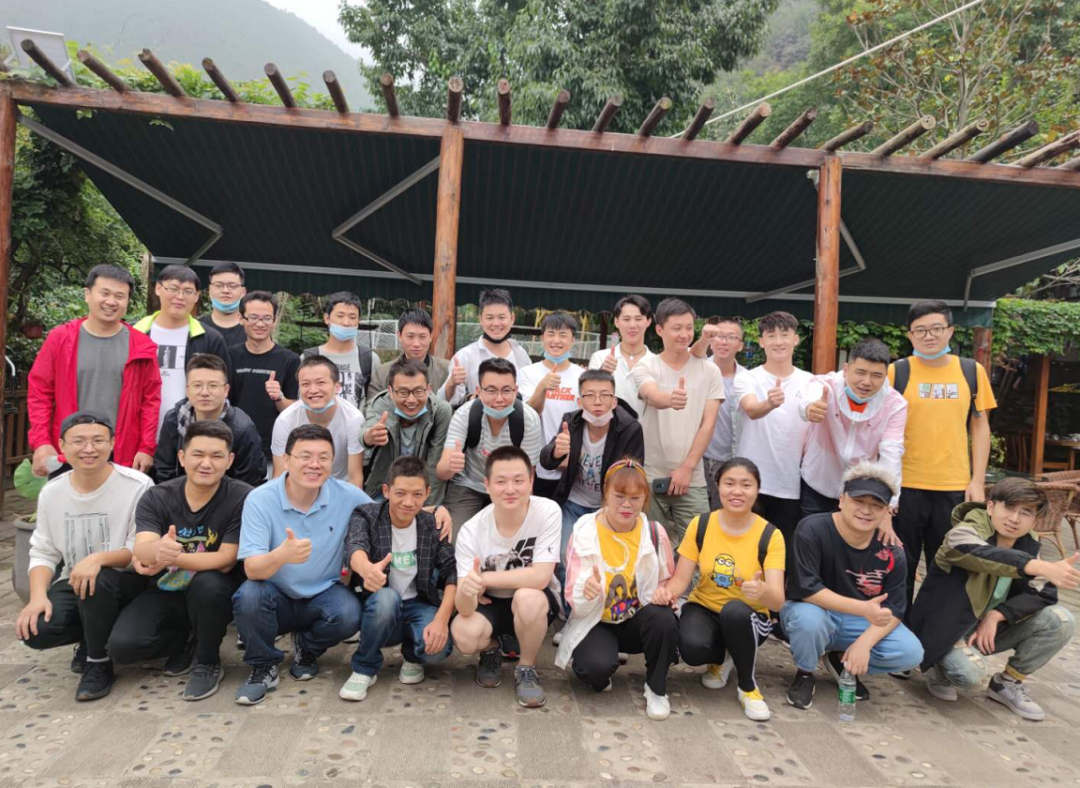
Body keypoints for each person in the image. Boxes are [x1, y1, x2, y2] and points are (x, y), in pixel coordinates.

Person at [909, 478, 1078, 721]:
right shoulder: (964, 532)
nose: (1014, 518)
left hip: (985, 629)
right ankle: (939, 664)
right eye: (1008, 507)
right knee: (969, 675)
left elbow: (1043, 593)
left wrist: (998, 615)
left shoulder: (1029, 542)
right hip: (946, 628)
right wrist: (1037, 566)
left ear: (1035, 520)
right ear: (990, 506)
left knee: (1061, 619)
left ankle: (1007, 682)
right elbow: (977, 553)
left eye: (1025, 512)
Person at [232, 424, 372, 705]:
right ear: (286, 460)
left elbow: (388, 514)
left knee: (349, 615)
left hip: (324, 591)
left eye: (323, 457)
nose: (314, 465)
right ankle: (263, 666)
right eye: (305, 456)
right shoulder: (260, 499)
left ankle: (306, 647)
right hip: (274, 594)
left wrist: (436, 511)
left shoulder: (348, 495)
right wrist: (281, 555)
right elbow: (252, 569)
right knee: (248, 596)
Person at [16, 411, 153, 701]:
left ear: (112, 443)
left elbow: (140, 549)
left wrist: (97, 559)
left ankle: (97, 661)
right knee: (36, 629)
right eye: (78, 441)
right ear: (62, 446)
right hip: (75, 581)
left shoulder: (137, 485)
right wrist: (37, 597)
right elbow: (43, 550)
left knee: (98, 579)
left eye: (98, 441)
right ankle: (92, 638)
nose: (89, 449)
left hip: (125, 582)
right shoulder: (52, 492)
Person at [117, 420, 251, 701]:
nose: (206, 463)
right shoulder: (157, 496)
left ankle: (207, 661)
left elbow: (226, 559)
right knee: (123, 647)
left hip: (216, 594)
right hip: (166, 589)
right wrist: (157, 551)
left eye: (216, 456)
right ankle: (185, 640)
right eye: (197, 454)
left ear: (229, 460)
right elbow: (142, 550)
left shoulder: (242, 496)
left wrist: (173, 556)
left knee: (209, 583)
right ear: (181, 457)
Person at [781, 462, 923, 710]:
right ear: (841, 500)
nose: (866, 511)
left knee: (910, 652)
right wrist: (863, 609)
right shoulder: (812, 529)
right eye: (858, 501)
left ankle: (841, 661)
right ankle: (805, 672)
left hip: (858, 622)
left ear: (886, 511)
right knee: (809, 621)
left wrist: (864, 643)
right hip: (813, 610)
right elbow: (807, 589)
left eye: (876, 505)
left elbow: (894, 609)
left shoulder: (892, 551)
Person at [888, 300, 997, 623]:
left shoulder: (971, 371)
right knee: (900, 564)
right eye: (920, 330)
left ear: (950, 331)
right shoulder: (898, 371)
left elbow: (980, 428)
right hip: (905, 486)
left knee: (946, 565)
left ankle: (932, 633)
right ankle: (897, 632)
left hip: (953, 487)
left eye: (936, 328)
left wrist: (977, 481)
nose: (929, 336)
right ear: (910, 335)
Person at [661, 458, 786, 721]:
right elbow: (681, 579)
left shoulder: (770, 535)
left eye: (746, 485)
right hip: (704, 607)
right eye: (729, 483)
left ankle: (748, 687)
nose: (737, 491)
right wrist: (666, 593)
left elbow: (777, 602)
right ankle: (724, 657)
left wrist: (762, 590)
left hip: (748, 617)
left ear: (757, 490)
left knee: (735, 612)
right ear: (718, 487)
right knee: (691, 648)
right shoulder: (702, 524)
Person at [556, 459, 678, 721]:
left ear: (645, 498)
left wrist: (664, 593)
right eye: (619, 496)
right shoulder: (585, 531)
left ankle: (656, 688)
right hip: (596, 620)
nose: (626, 505)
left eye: (635, 498)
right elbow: (572, 593)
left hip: (636, 620)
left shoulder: (654, 533)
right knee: (594, 669)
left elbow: (667, 579)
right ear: (605, 494)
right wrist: (586, 590)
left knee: (664, 618)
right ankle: (602, 664)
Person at [451, 447, 562, 708]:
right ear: (487, 485)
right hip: (491, 603)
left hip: (533, 601)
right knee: (463, 634)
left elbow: (540, 577)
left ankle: (526, 668)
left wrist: (484, 579)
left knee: (528, 598)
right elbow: (464, 607)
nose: (510, 489)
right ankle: (490, 649)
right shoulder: (470, 531)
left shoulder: (547, 511)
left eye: (518, 480)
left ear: (531, 481)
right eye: (501, 482)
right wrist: (467, 590)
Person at [339, 457, 458, 700]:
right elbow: (355, 546)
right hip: (380, 603)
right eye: (400, 493)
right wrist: (366, 569)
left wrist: (441, 620)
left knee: (438, 649)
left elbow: (452, 571)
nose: (408, 502)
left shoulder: (432, 524)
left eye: (417, 494)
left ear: (427, 493)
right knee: (387, 598)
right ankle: (364, 667)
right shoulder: (367, 514)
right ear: (386, 491)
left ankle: (412, 655)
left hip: (419, 604)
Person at [29, 264, 160, 477]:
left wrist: (146, 448)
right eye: (104, 293)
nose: (111, 301)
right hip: (69, 451)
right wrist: (42, 442)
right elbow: (40, 393)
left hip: (121, 452)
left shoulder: (141, 345)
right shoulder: (60, 339)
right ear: (87, 294)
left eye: (120, 296)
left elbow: (150, 401)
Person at [632, 298, 723, 542]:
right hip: (650, 476)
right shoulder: (646, 365)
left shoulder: (710, 370)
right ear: (659, 330)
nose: (684, 334)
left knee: (699, 544)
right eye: (676, 328)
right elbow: (650, 394)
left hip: (692, 477)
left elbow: (708, 424)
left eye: (689, 327)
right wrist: (669, 399)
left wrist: (687, 468)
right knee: (650, 545)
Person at [538, 370, 644, 574]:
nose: (597, 402)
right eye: (590, 395)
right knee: (564, 556)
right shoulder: (571, 422)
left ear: (614, 401)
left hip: (608, 506)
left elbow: (634, 474)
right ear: (580, 401)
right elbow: (546, 460)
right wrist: (556, 452)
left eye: (604, 395)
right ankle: (568, 596)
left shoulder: (630, 429)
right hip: (573, 503)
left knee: (605, 561)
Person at [799, 338, 907, 524]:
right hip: (817, 484)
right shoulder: (826, 385)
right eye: (860, 372)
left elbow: (892, 454)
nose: (867, 382)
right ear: (846, 369)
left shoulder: (895, 404)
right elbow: (807, 400)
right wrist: (809, 409)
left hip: (861, 493)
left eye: (876, 375)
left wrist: (890, 504)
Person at [732, 311, 814, 542]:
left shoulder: (810, 381)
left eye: (784, 335)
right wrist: (769, 403)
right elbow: (751, 409)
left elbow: (812, 413)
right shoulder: (747, 378)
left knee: (781, 550)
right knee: (744, 547)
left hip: (790, 484)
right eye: (771, 335)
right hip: (749, 483)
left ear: (795, 339)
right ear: (761, 342)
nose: (778, 341)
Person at [437, 358, 542, 529]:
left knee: (509, 535)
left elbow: (528, 476)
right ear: (478, 391)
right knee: (454, 536)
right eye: (491, 391)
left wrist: (524, 515)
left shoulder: (528, 419)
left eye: (506, 390)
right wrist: (451, 466)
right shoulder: (464, 414)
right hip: (469, 483)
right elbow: (442, 472)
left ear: (516, 390)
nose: (499, 399)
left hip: (508, 487)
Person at [133, 265, 232, 429]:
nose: (180, 297)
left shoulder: (210, 339)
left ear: (196, 296)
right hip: (137, 428)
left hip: (191, 430)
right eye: (173, 289)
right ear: (158, 288)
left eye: (188, 291)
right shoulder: (134, 334)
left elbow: (224, 389)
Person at [154, 354, 266, 487]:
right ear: (187, 389)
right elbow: (165, 469)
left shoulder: (242, 428)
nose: (204, 392)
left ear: (226, 390)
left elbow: (247, 481)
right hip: (181, 494)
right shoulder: (174, 419)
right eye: (197, 385)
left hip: (229, 496)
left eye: (213, 386)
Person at [228, 291, 302, 471]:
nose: (260, 324)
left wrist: (278, 397)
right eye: (253, 317)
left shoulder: (290, 360)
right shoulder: (230, 355)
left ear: (274, 321)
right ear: (241, 318)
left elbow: (294, 410)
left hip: (273, 450)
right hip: (233, 446)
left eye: (267, 318)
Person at [362, 358, 452, 503]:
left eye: (418, 391)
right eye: (403, 392)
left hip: (420, 486)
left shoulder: (440, 411)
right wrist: (369, 437)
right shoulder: (380, 404)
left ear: (429, 389)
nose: (411, 400)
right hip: (384, 485)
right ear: (390, 391)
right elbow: (367, 429)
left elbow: (434, 464)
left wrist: (428, 507)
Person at [517, 312, 586, 499]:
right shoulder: (527, 373)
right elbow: (528, 413)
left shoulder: (582, 377)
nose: (556, 340)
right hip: (536, 466)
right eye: (551, 334)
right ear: (542, 338)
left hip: (571, 468)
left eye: (563, 335)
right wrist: (543, 387)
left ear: (573, 340)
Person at [271, 355, 365, 488]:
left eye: (321, 382)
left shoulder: (353, 419)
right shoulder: (285, 420)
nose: (313, 390)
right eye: (305, 384)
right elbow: (279, 476)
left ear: (337, 387)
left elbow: (355, 478)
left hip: (339, 488)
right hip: (299, 488)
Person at [440, 288, 531, 408]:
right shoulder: (465, 356)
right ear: (480, 319)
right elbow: (444, 404)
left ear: (512, 318)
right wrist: (451, 383)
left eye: (502, 317)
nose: (496, 323)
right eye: (490, 318)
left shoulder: (521, 354)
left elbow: (528, 397)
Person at [692, 318, 748, 510]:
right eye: (719, 336)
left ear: (740, 345)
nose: (724, 342)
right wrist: (703, 338)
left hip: (731, 459)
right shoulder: (697, 369)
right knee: (697, 516)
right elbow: (692, 354)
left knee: (723, 514)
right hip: (697, 458)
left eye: (731, 337)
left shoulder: (748, 379)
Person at [301, 291, 375, 413]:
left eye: (352, 317)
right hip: (316, 424)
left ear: (358, 321)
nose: (346, 323)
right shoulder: (308, 357)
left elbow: (374, 404)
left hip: (356, 425)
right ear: (327, 318)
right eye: (340, 316)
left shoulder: (369, 359)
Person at [588, 295, 654, 418]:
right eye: (626, 319)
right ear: (616, 322)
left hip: (645, 430)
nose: (632, 325)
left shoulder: (657, 363)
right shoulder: (600, 358)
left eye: (638, 319)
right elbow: (588, 397)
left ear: (648, 321)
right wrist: (602, 374)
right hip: (608, 429)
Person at [368, 307, 450, 400]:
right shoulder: (382, 374)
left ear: (431, 336)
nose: (416, 344)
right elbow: (372, 405)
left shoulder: (447, 370)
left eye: (422, 337)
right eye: (410, 336)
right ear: (399, 336)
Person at [198, 261, 247, 347]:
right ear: (210, 290)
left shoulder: (253, 330)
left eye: (232, 286)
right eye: (219, 285)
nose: (225, 290)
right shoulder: (197, 328)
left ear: (243, 292)